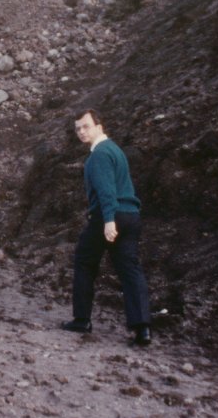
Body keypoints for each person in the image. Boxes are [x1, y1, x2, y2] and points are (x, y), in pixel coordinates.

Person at [62, 109, 153, 346]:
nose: (81, 132)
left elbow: (106, 190)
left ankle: (82, 319)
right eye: (78, 128)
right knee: (129, 269)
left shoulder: (99, 155)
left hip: (108, 215)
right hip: (131, 215)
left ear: (99, 127)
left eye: (86, 126)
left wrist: (109, 220)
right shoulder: (115, 150)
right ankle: (142, 328)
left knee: (84, 260)